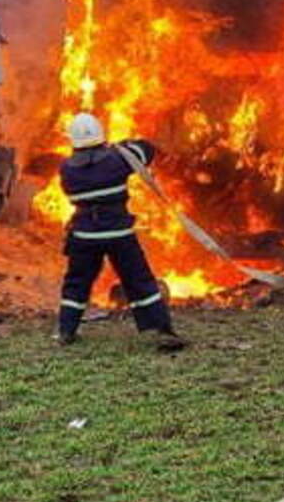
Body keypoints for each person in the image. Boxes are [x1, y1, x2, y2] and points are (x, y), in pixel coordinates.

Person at [54, 113, 186, 351]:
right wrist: (123, 147)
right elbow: (146, 150)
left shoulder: (67, 170)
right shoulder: (117, 160)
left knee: (76, 284)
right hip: (119, 234)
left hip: (84, 237)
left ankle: (66, 330)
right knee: (140, 281)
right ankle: (159, 328)